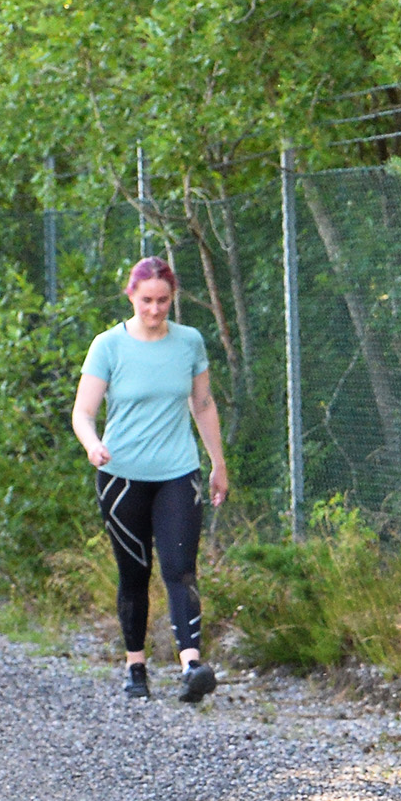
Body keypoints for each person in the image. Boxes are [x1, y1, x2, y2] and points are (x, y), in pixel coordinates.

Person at [72, 255, 231, 702]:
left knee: (180, 569)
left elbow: (203, 404)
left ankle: (191, 666)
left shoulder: (189, 342)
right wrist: (92, 443)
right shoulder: (108, 345)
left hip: (178, 471)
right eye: (146, 301)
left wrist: (217, 463)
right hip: (121, 476)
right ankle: (135, 666)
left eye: (163, 301)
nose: (155, 310)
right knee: (134, 573)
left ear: (173, 298)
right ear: (131, 297)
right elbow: (83, 412)